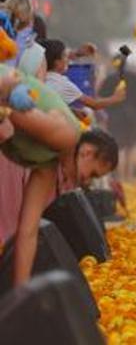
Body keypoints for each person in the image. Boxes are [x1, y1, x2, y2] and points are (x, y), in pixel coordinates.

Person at [0, 68, 120, 286]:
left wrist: (23, 292)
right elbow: (7, 104)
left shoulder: (48, 167)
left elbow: (28, 231)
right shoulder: (65, 137)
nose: (86, 183)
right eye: (92, 174)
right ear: (87, 152)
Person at [41, 40, 127, 121]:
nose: (68, 59)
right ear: (57, 62)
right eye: (64, 56)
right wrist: (115, 98)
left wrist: (72, 110)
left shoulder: (38, 75)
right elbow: (94, 104)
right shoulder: (62, 83)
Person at [98, 59, 136, 181]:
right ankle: (129, 177)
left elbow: (101, 95)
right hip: (134, 117)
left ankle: (120, 178)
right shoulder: (135, 77)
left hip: (115, 116)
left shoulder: (110, 79)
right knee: (131, 148)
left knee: (119, 148)